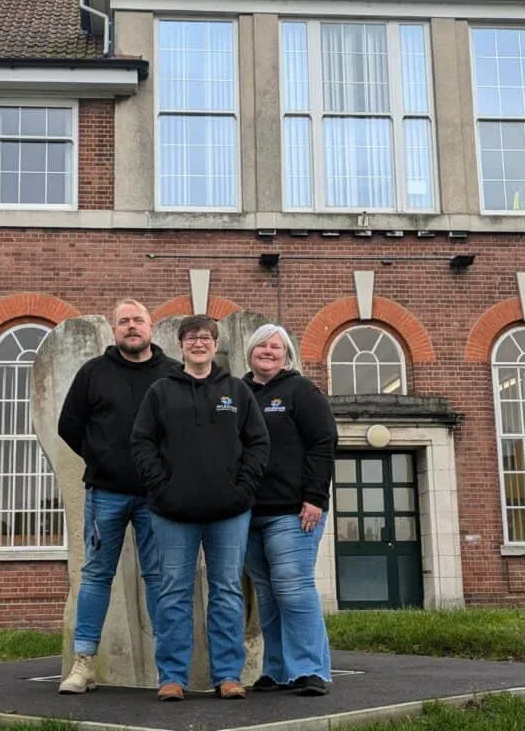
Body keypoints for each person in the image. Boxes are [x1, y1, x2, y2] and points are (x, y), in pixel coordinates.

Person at [130, 315, 270, 702]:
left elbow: (258, 443)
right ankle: (171, 677)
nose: (198, 343)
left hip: (229, 513)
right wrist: (162, 486)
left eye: (205, 338)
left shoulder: (236, 392)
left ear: (214, 344)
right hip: (171, 513)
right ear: (181, 346)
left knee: (226, 592)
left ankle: (227, 675)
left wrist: (242, 490)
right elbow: (141, 443)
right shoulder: (160, 391)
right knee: (173, 592)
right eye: (191, 338)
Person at [56, 298, 179, 694]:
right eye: (123, 321)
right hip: (105, 493)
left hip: (156, 497)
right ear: (114, 330)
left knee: (160, 579)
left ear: (151, 326)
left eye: (137, 320)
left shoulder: (173, 375)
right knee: (95, 577)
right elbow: (68, 426)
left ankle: (168, 670)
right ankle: (84, 663)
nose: (131, 327)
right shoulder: (93, 373)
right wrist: (103, 459)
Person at [242, 323, 337, 697]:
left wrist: (315, 497)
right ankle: (278, 669)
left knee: (294, 589)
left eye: (275, 346)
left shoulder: (302, 391)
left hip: (294, 512)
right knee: (267, 594)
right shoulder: (238, 392)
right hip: (248, 515)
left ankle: (310, 670)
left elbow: (323, 442)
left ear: (287, 354)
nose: (268, 351)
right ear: (250, 351)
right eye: (261, 345)